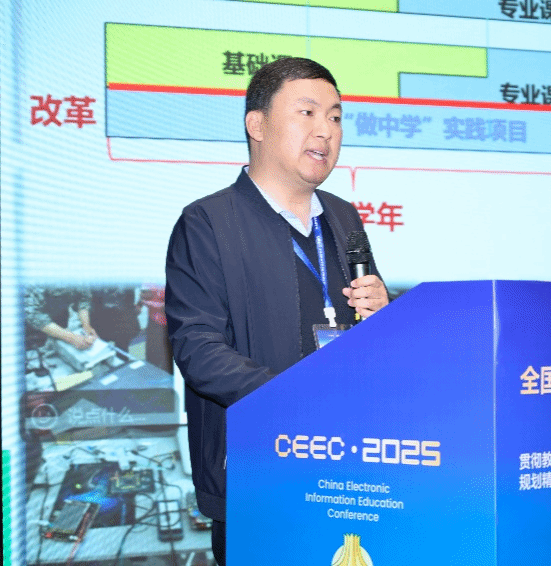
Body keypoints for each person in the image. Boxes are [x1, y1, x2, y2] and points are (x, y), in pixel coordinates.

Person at [165, 57, 389, 566]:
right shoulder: (208, 222)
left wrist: (385, 315)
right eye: (307, 113)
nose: (325, 131)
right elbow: (198, 350)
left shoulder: (343, 217)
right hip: (259, 473)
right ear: (257, 124)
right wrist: (299, 399)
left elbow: (372, 340)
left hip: (351, 468)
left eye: (335, 117)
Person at [24, 286, 99, 351]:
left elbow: (83, 298)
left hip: (60, 314)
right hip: (32, 325)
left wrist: (86, 326)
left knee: (61, 346)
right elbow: (32, 314)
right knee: (35, 350)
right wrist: (71, 338)